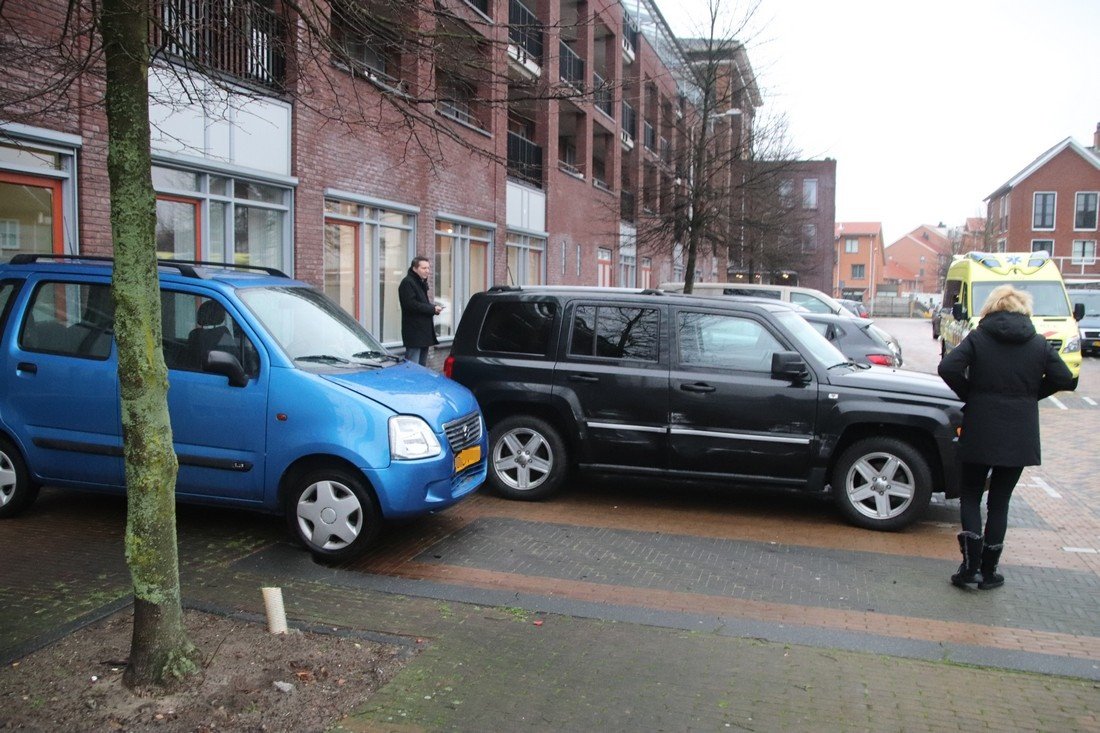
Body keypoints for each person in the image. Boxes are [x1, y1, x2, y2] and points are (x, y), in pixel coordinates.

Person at [937, 284, 1074, 590]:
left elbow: (948, 366)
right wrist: (1030, 396)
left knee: (971, 495)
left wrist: (971, 394)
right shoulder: (1038, 343)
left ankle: (968, 568)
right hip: (1019, 432)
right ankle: (989, 572)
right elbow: (1065, 378)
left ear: (992, 308)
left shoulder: (979, 338)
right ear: (1024, 311)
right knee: (1000, 501)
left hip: (981, 427)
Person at [399, 256, 442, 367]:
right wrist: (432, 309)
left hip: (423, 334)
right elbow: (411, 305)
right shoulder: (408, 283)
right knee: (413, 368)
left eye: (428, 268)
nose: (427, 271)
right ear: (414, 268)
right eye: (424, 268)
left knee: (421, 368)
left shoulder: (420, 282)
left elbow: (421, 304)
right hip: (414, 333)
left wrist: (433, 308)